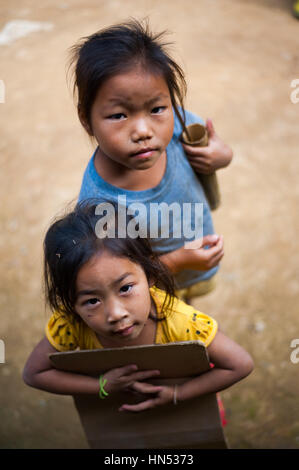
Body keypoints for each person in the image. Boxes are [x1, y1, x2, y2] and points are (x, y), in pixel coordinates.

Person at [23, 202, 253, 412]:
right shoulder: (71, 324)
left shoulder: (182, 322)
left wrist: (178, 394)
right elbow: (34, 374)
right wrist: (101, 387)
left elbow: (240, 364)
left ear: (150, 274)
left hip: (186, 414)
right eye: (92, 301)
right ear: (69, 301)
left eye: (125, 288)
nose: (116, 314)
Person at [68, 19, 233, 302]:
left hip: (197, 264)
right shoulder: (98, 203)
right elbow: (117, 276)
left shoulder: (180, 126)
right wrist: (179, 261)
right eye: (119, 115)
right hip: (149, 290)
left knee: (187, 308)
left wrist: (220, 156)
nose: (144, 131)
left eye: (157, 108)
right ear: (86, 119)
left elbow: (221, 149)